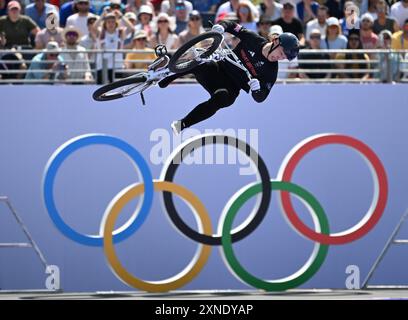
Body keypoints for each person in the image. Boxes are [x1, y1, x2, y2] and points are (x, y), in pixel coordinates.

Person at [157, 20, 300, 134]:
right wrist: (221, 27)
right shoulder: (254, 39)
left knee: (223, 98)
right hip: (218, 69)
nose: (280, 58)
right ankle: (165, 78)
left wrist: (256, 90)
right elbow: (232, 25)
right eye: (281, 53)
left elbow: (261, 97)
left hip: (231, 87)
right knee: (200, 61)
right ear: (275, 42)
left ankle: (183, 123)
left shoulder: (271, 72)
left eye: (284, 58)